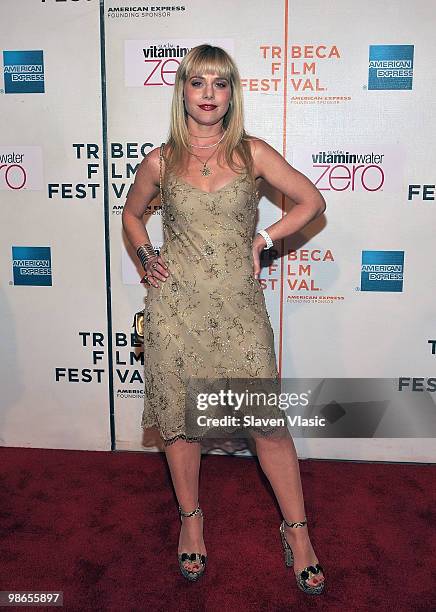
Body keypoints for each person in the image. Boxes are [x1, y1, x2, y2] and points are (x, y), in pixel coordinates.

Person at [122, 44, 326, 596]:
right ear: (183, 91)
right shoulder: (160, 161)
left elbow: (310, 200)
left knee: (267, 426)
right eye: (198, 82)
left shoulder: (252, 153)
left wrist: (264, 238)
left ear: (231, 93)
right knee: (182, 425)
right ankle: (191, 520)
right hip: (176, 311)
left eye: (220, 83)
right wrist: (146, 257)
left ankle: (298, 532)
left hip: (239, 309)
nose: (209, 93)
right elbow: (132, 214)